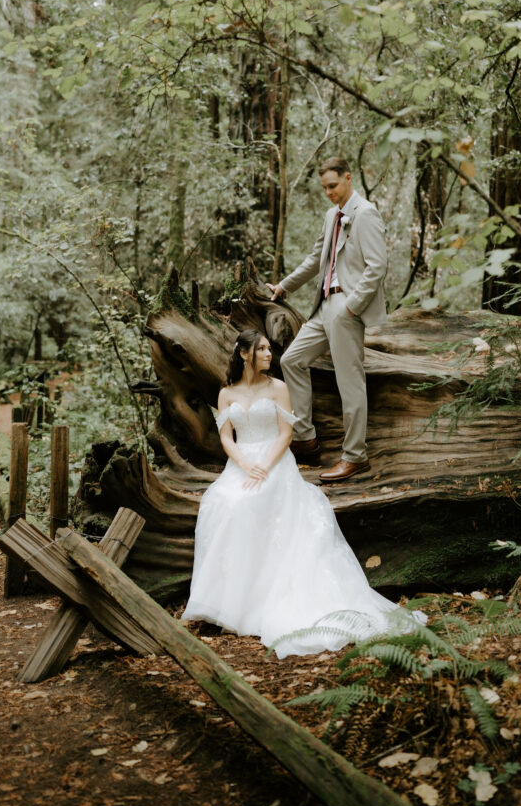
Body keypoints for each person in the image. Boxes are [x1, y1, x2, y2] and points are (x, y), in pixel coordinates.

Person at [181, 329, 426, 658]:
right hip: (240, 464)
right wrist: (243, 461)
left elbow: (286, 433)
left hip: (277, 462)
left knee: (259, 501)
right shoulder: (226, 394)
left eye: (270, 349)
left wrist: (266, 464)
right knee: (221, 503)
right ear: (244, 354)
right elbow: (226, 437)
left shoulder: (279, 387)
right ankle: (229, 602)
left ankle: (266, 597)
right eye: (263, 349)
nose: (270, 354)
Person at [267, 157, 386, 483]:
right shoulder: (331, 215)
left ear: (348, 178)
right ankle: (305, 437)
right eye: (324, 188)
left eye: (333, 186)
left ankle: (355, 457)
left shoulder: (366, 214)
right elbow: (315, 259)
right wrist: (284, 285)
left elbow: (377, 266)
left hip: (346, 307)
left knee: (350, 384)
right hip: (323, 305)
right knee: (292, 359)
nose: (328, 193)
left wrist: (352, 306)